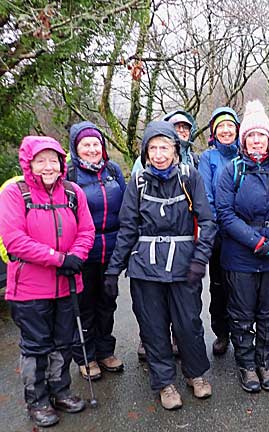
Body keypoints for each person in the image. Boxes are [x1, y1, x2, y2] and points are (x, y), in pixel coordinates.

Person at [104, 121, 216, 410]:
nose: (158, 153)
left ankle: (196, 374)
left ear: (175, 149)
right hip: (146, 266)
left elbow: (207, 221)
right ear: (145, 152)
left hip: (183, 265)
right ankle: (165, 383)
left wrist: (199, 259)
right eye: (152, 148)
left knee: (188, 324)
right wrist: (113, 269)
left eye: (164, 147)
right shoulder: (138, 183)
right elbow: (128, 227)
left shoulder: (190, 177)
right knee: (153, 327)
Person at [0, 136, 95, 427]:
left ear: (61, 162)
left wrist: (76, 256)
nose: (48, 166)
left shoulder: (73, 191)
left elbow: (86, 230)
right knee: (36, 346)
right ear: (28, 163)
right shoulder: (15, 193)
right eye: (40, 160)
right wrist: (58, 258)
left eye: (53, 159)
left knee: (63, 343)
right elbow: (15, 240)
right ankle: (37, 400)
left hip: (67, 284)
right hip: (30, 288)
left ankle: (60, 390)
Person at [216, 100, 269, 393]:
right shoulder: (232, 170)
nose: (256, 141)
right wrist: (255, 241)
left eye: (261, 135)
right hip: (240, 254)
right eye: (250, 135)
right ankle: (247, 365)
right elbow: (224, 213)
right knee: (241, 312)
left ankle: (265, 363)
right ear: (243, 139)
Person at [132, 110, 198, 359]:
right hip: (150, 253)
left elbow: (204, 210)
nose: (159, 155)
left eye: (185, 127)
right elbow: (131, 218)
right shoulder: (141, 174)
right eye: (177, 127)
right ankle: (153, 345)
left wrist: (199, 253)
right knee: (152, 310)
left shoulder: (193, 167)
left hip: (182, 247)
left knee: (185, 313)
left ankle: (184, 349)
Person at [68, 121, 126, 381]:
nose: (92, 149)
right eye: (85, 145)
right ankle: (85, 356)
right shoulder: (69, 175)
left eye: (96, 144)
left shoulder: (113, 170)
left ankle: (105, 351)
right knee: (84, 307)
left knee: (107, 304)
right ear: (76, 148)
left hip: (111, 250)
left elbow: (127, 207)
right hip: (82, 251)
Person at [198, 106, 241, 355]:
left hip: (243, 233)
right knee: (219, 286)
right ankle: (222, 332)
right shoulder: (209, 158)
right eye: (221, 126)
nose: (226, 130)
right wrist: (219, 225)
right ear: (214, 131)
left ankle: (242, 331)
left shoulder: (244, 154)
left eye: (230, 126)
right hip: (220, 234)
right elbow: (206, 195)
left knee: (243, 286)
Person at [131, 109, 199, 174]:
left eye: (185, 127)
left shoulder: (194, 160)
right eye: (176, 126)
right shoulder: (146, 160)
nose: (181, 130)